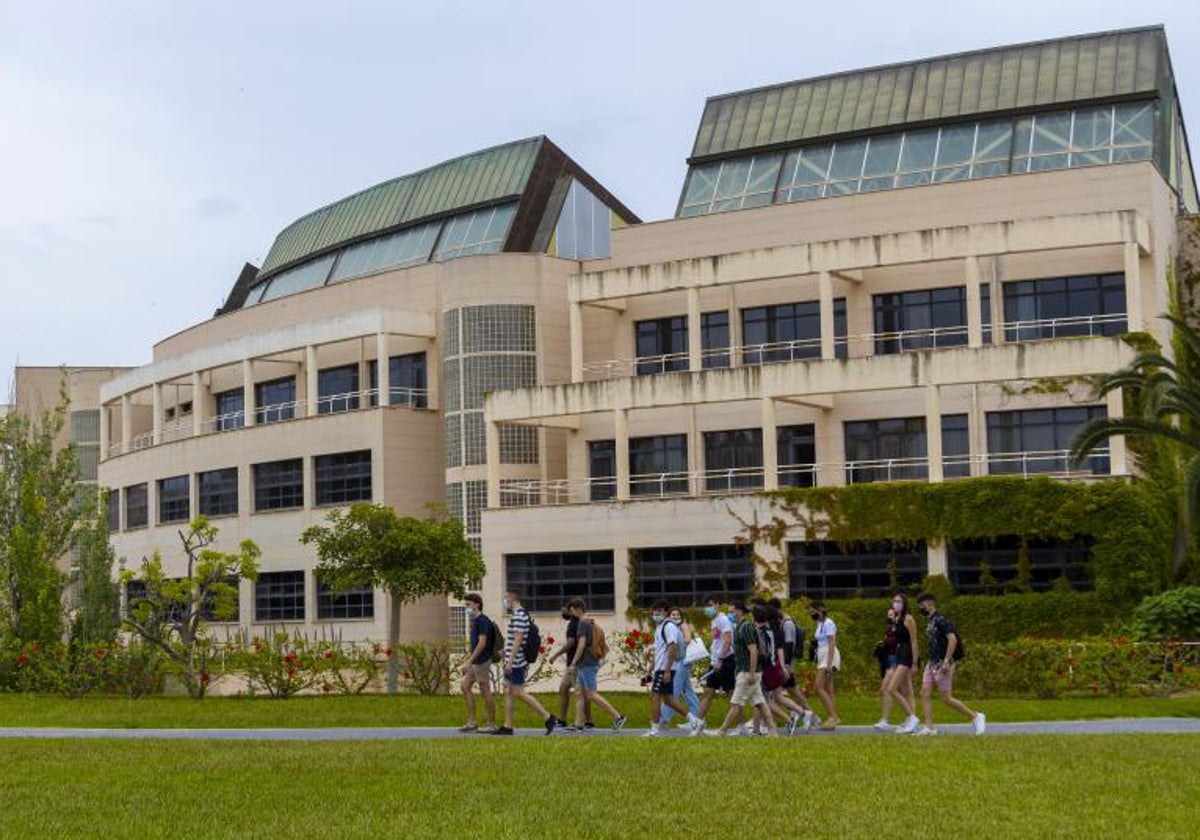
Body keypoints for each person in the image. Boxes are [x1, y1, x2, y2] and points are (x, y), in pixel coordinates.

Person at [491, 589, 563, 736]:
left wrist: (510, 662)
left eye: (506, 598)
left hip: (516, 662)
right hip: (513, 659)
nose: (505, 601)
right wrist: (504, 652)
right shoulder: (520, 615)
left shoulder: (519, 616)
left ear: (512, 598)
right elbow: (514, 640)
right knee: (508, 691)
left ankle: (548, 717)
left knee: (518, 692)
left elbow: (518, 640)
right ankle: (507, 726)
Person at [914, 592, 985, 736]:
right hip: (932, 662)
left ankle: (976, 717)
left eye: (922, 605)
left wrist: (946, 662)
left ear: (930, 604)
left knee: (946, 698)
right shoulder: (930, 621)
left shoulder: (941, 620)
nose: (920, 608)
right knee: (924, 692)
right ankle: (929, 727)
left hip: (943, 663)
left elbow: (953, 640)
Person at [710, 603, 778, 737]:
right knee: (760, 702)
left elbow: (753, 650)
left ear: (740, 611)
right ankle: (773, 731)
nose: (730, 614)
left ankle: (721, 731)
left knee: (735, 704)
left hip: (748, 672)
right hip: (746, 670)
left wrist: (751, 672)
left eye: (732, 611)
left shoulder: (745, 627)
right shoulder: (739, 627)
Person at [565, 598, 627, 731]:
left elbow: (581, 645)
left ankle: (618, 717)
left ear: (578, 609)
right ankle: (578, 724)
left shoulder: (583, 623)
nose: (572, 614)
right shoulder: (590, 622)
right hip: (587, 663)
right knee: (580, 694)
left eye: (572, 611)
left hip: (587, 663)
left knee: (592, 694)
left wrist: (573, 663)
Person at [645, 600, 704, 737]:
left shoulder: (668, 626)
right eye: (654, 611)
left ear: (666, 612)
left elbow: (672, 648)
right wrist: (650, 670)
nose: (656, 614)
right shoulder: (660, 627)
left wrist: (666, 670)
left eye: (659, 611)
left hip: (665, 669)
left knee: (656, 698)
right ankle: (694, 720)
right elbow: (660, 651)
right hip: (661, 668)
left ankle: (655, 730)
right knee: (668, 700)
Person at [770, 597, 817, 732]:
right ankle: (809, 715)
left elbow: (789, 645)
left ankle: (802, 714)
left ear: (777, 609)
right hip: (785, 663)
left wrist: (786, 665)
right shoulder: (783, 622)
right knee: (792, 691)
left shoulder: (787, 623)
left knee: (777, 694)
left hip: (787, 663)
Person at [762, 603, 809, 736]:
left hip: (769, 668)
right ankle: (801, 712)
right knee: (777, 697)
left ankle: (787, 719)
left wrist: (785, 666)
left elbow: (777, 649)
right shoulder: (778, 629)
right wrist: (783, 667)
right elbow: (781, 649)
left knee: (764, 699)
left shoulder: (769, 631)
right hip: (776, 667)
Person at [692, 594, 735, 734]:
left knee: (732, 695)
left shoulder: (723, 620)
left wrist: (721, 660)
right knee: (708, 692)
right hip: (715, 662)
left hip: (725, 661)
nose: (708, 608)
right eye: (706, 606)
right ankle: (697, 723)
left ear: (718, 604)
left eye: (710, 605)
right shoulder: (714, 620)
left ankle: (740, 726)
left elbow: (727, 641)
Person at [457, 593, 498, 733]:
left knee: (485, 690)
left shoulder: (483, 621)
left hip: (482, 660)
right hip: (476, 661)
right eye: (465, 605)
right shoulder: (475, 621)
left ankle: (492, 724)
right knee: (465, 686)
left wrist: (469, 661)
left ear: (477, 605)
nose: (466, 608)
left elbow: (482, 644)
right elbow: (474, 645)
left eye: (468, 605)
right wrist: (467, 660)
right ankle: (472, 722)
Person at [548, 604, 591, 731]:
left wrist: (556, 654)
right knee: (569, 689)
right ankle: (584, 720)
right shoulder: (581, 622)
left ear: (572, 610)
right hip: (576, 662)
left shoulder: (574, 623)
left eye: (565, 609)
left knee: (578, 692)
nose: (562, 612)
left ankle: (579, 722)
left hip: (575, 663)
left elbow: (571, 643)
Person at [659, 607, 701, 729]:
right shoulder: (671, 627)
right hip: (679, 661)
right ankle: (697, 717)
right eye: (673, 614)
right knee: (688, 691)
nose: (675, 616)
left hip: (683, 661)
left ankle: (664, 718)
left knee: (674, 689)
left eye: (677, 615)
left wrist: (676, 643)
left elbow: (688, 639)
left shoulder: (683, 625)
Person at [886, 593, 921, 734]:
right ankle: (910, 721)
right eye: (894, 601)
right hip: (899, 652)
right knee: (906, 691)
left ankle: (912, 718)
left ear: (904, 603)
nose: (896, 603)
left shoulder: (908, 618)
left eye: (899, 601)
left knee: (891, 689)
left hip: (907, 654)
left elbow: (913, 641)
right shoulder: (898, 619)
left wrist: (915, 662)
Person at [810, 601, 840, 730]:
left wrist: (829, 663)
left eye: (813, 611)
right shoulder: (820, 623)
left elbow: (832, 642)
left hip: (829, 655)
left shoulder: (828, 623)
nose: (811, 614)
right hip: (822, 654)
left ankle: (833, 716)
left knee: (818, 687)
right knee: (828, 688)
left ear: (820, 610)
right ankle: (831, 719)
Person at [872, 607, 901, 731]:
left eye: (891, 615)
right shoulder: (889, 629)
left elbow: (900, 644)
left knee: (887, 689)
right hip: (889, 660)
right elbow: (888, 643)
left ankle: (886, 720)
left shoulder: (900, 629)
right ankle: (887, 719)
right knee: (896, 690)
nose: (888, 617)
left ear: (896, 616)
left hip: (896, 660)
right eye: (888, 615)